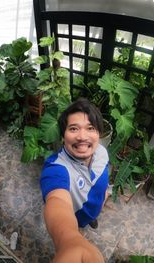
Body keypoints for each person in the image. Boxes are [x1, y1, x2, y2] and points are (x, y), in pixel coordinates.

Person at [40, 98, 109, 262]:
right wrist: (70, 240)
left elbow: (102, 175)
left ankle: (93, 217)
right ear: (63, 135)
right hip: (77, 216)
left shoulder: (101, 152)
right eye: (73, 128)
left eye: (90, 128)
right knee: (80, 225)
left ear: (98, 133)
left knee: (93, 215)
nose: (82, 137)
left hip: (97, 204)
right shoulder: (56, 169)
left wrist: (105, 194)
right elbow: (57, 201)